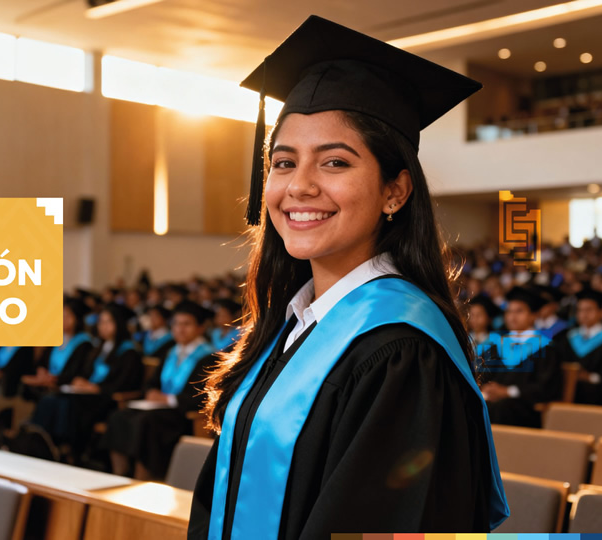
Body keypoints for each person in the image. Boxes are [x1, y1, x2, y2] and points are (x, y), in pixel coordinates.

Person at [187, 16, 508, 539]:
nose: (300, 186)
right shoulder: (292, 325)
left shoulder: (402, 352)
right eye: (284, 162)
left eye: (334, 162)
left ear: (395, 192)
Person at [104, 301, 217, 480]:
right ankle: (120, 475)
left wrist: (169, 400)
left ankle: (142, 479)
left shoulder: (209, 357)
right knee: (118, 416)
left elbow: (203, 398)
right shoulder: (171, 352)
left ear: (201, 328)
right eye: (176, 324)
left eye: (186, 324)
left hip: (183, 415)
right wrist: (151, 392)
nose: (180, 329)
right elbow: (152, 383)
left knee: (146, 423)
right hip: (159, 410)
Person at [30, 303, 143, 461]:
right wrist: (80, 382)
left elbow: (124, 384)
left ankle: (68, 449)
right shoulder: (100, 348)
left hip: (107, 400)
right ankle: (41, 442)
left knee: (67, 403)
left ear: (120, 323)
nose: (103, 326)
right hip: (89, 396)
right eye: (101, 322)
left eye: (108, 322)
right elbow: (86, 373)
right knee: (52, 399)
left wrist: (96, 388)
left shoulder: (129, 352)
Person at [476, 286, 561, 427]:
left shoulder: (546, 347)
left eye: (519, 311)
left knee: (501, 407)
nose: (512, 317)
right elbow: (483, 374)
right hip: (496, 402)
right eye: (509, 312)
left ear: (533, 315)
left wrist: (508, 391)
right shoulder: (498, 345)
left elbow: (546, 387)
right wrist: (486, 388)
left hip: (526, 408)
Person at [552, 288, 602, 404]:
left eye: (589, 310)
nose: (584, 314)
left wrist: (590, 377)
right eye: (580, 310)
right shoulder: (567, 336)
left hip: (596, 393)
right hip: (566, 388)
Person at [23, 298, 95, 392]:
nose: (63, 320)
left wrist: (54, 379)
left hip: (64, 389)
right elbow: (42, 361)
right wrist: (41, 370)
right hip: (46, 384)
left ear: (77, 319)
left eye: (68, 316)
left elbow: (76, 372)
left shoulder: (84, 343)